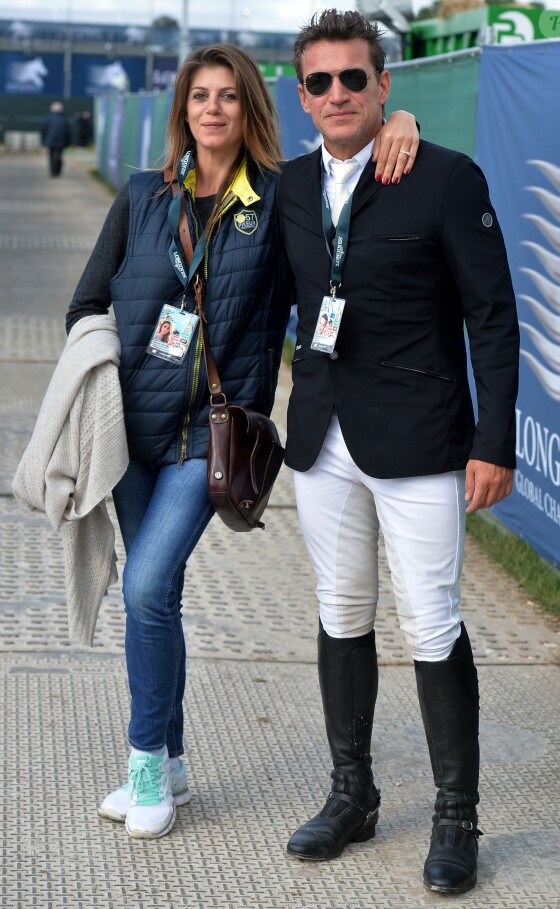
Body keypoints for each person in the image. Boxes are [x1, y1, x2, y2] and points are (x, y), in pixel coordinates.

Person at [65, 43, 420, 841]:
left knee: (147, 587)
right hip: (130, 432)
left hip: (211, 436)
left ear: (248, 107)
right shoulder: (141, 196)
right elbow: (86, 301)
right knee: (157, 602)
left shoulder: (283, 193)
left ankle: (146, 769)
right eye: (200, 96)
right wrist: (92, 374)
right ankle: (178, 763)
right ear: (182, 109)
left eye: (228, 96)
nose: (213, 109)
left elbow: (345, 158)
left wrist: (401, 118)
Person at [277, 10, 520, 895]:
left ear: (385, 87)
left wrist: (495, 440)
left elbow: (493, 315)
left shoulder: (444, 176)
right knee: (341, 609)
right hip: (321, 438)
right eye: (320, 82)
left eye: (354, 79)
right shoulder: (290, 187)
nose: (337, 94)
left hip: (420, 437)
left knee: (432, 619)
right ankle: (353, 793)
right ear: (301, 96)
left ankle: (457, 815)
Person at [41, 101, 72, 177]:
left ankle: (53, 171)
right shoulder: (64, 119)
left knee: (51, 156)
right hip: (61, 141)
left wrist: (44, 140)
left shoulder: (47, 118)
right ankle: (57, 171)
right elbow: (67, 131)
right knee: (59, 155)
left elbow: (43, 130)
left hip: (50, 140)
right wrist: (68, 141)